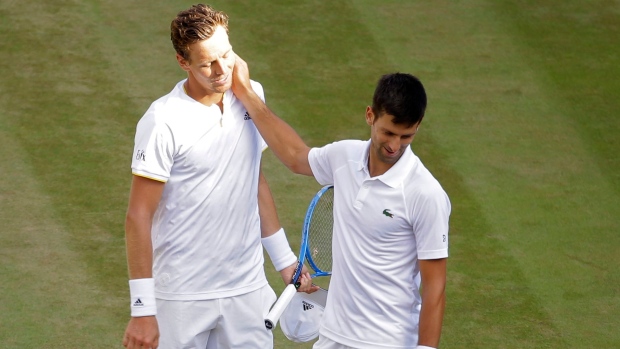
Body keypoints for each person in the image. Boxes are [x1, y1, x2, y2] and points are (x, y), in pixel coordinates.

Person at [122, 4, 315, 349]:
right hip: (181, 295)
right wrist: (142, 310)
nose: (221, 69)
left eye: (226, 54)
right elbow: (138, 215)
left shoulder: (250, 94)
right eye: (207, 62)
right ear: (183, 62)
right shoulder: (162, 121)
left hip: (247, 288)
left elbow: (254, 181)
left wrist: (285, 261)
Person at [232, 56, 451, 349]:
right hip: (334, 336)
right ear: (370, 115)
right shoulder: (344, 157)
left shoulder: (426, 194)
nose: (394, 146)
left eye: (406, 136)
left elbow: (435, 288)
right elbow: (296, 156)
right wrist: (246, 93)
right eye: (388, 132)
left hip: (387, 342)